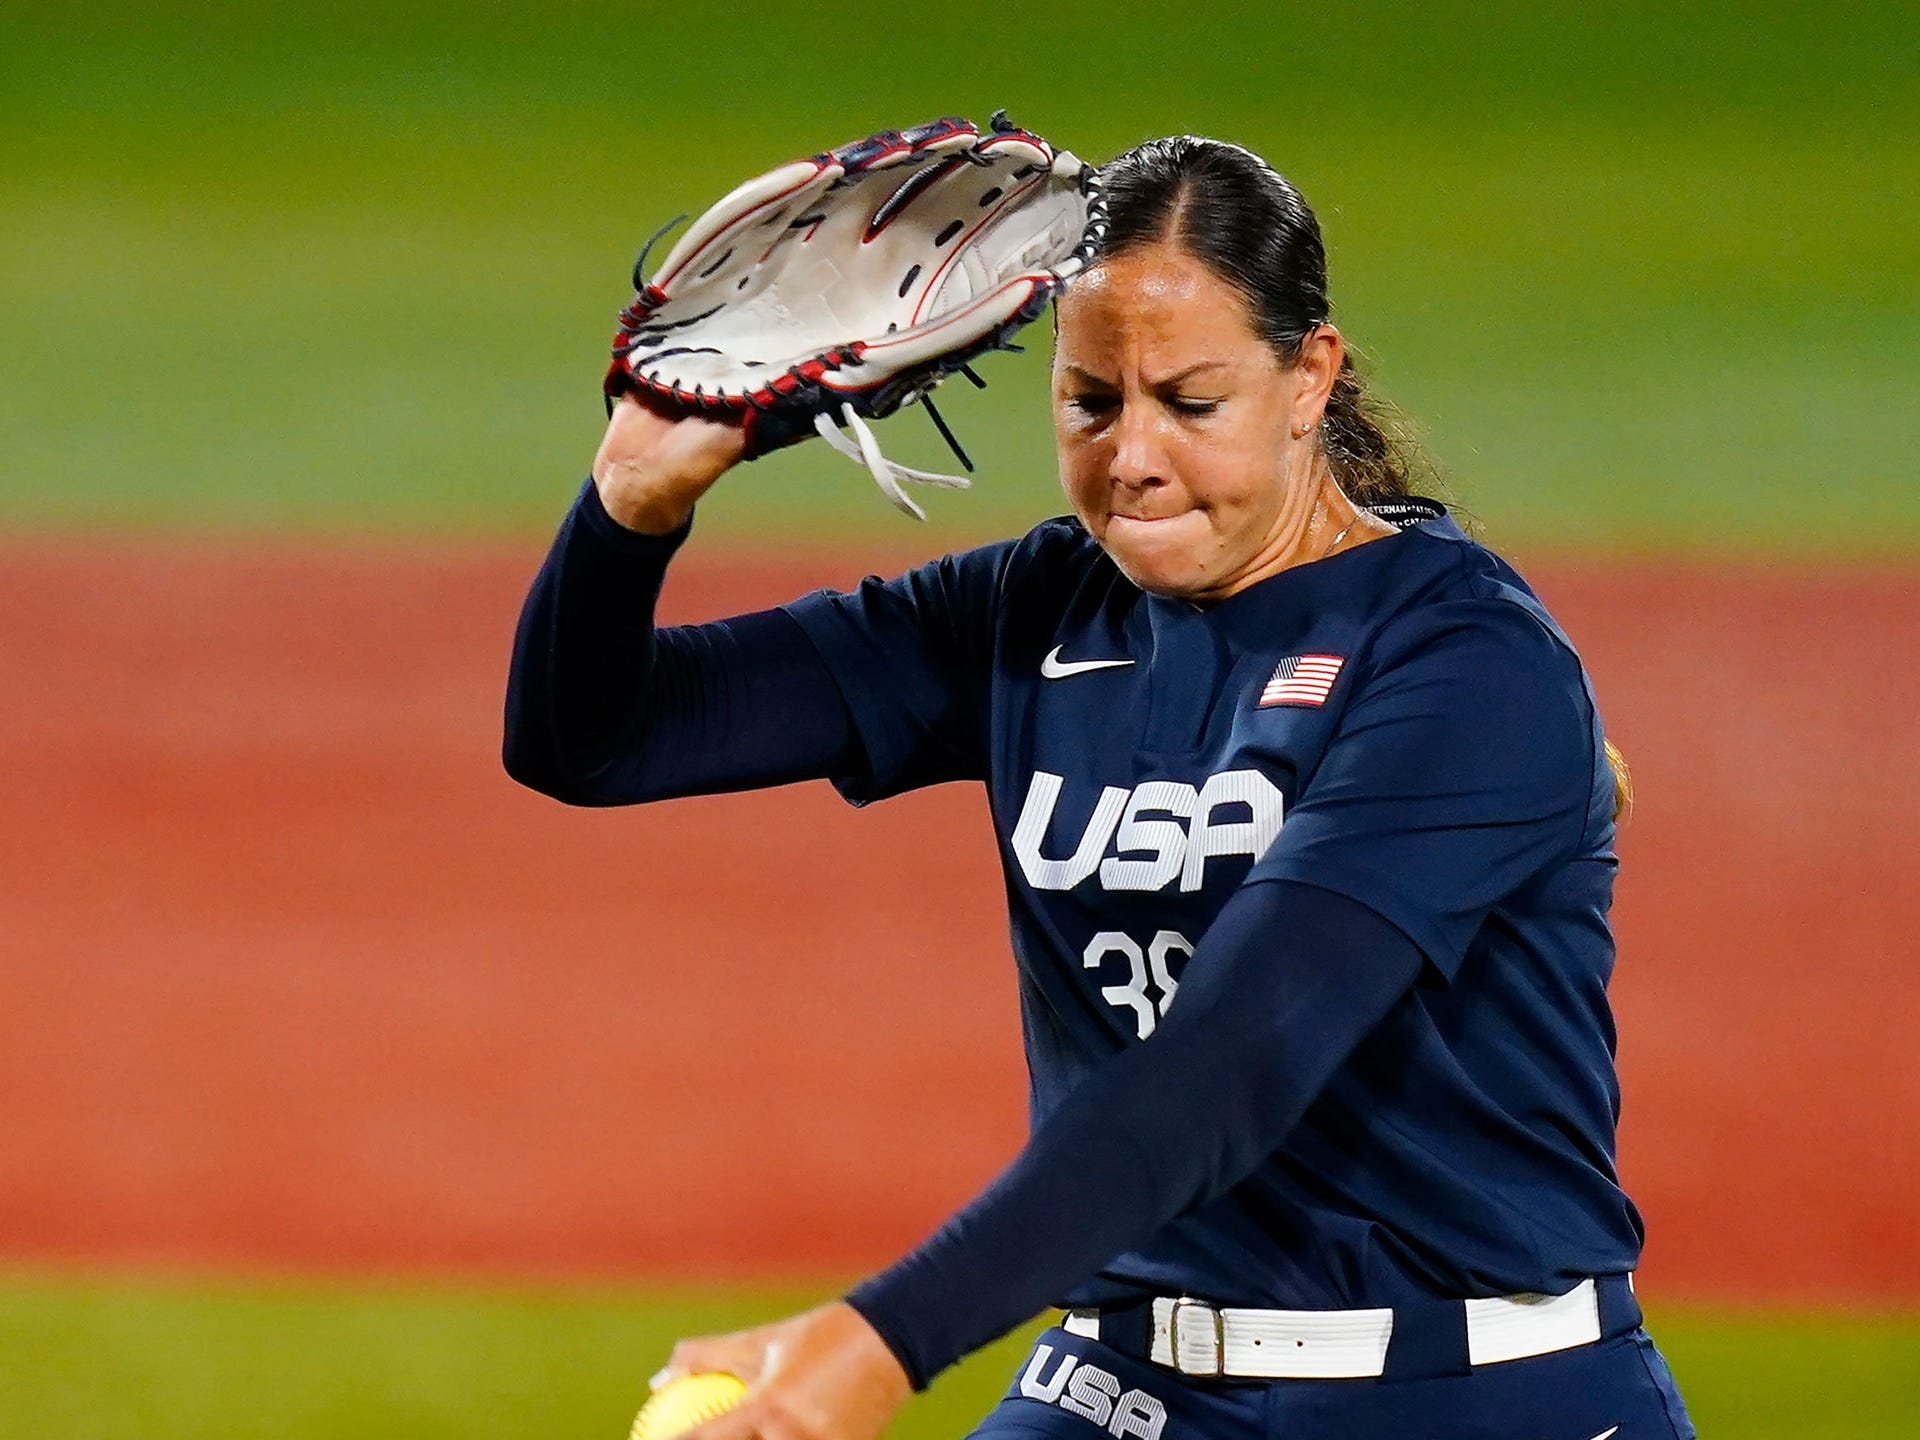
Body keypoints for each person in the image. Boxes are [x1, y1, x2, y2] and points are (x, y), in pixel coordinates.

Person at [504, 135, 1695, 1440]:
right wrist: (631, 505)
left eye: (1190, 404)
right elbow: (592, 739)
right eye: (1089, 403)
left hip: (1476, 1394)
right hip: (1126, 1381)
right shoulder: (1038, 610)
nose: (1132, 458)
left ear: (1310, 379)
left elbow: (1231, 1063)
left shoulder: (1463, 665)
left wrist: (877, 1343)